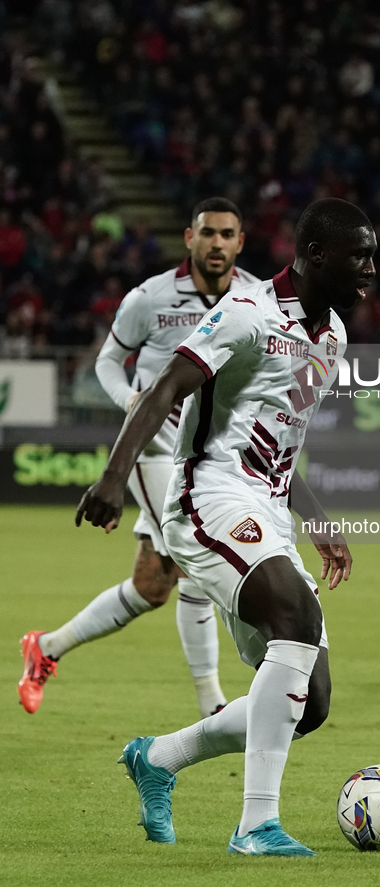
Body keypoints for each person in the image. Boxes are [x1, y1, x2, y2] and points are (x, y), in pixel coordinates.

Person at [75, 197, 376, 856]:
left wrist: (316, 519)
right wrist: (111, 477)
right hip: (204, 495)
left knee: (310, 700)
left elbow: (277, 442)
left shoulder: (331, 338)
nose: (370, 269)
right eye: (359, 255)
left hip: (263, 509)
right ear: (315, 254)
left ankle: (158, 756)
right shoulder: (247, 312)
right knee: (295, 616)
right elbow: (163, 389)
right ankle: (254, 825)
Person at [18, 197, 259, 718]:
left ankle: (46, 648)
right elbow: (108, 361)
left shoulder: (254, 298)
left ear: (240, 242)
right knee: (195, 560)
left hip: (213, 452)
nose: (216, 243)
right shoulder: (149, 298)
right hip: (154, 450)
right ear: (189, 238)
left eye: (227, 235)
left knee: (152, 586)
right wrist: (132, 400)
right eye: (208, 233)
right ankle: (212, 705)